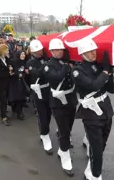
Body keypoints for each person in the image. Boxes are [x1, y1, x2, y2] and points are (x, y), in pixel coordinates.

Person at [72, 39, 114, 180]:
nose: (93, 53)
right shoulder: (77, 71)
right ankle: (95, 176)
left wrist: (110, 73)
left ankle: (91, 169)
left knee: (101, 145)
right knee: (96, 149)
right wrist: (105, 72)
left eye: (94, 50)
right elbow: (93, 86)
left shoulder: (98, 66)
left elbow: (112, 89)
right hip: (91, 112)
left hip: (106, 109)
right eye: (89, 52)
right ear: (82, 54)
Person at [44, 38, 77, 176]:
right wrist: (66, 65)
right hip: (57, 101)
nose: (59, 52)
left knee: (68, 127)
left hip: (70, 98)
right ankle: (65, 156)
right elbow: (57, 77)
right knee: (63, 130)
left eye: (61, 50)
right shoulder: (48, 65)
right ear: (51, 51)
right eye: (56, 50)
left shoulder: (66, 62)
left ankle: (62, 149)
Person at [26, 40, 52, 155]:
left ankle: (44, 131)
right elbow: (36, 73)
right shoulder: (30, 62)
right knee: (42, 115)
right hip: (38, 90)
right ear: (32, 52)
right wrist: (45, 65)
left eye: (41, 50)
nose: (40, 52)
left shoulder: (45, 58)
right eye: (37, 51)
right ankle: (45, 134)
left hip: (48, 89)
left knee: (49, 113)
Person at [0, 44, 11, 126]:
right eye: (6, 50)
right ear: (2, 51)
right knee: (2, 100)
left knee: (5, 99)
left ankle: (4, 112)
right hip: (0, 83)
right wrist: (8, 72)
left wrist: (9, 68)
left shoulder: (6, 58)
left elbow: (9, 65)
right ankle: (3, 116)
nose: (8, 51)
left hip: (6, 82)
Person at [8, 51, 29, 120]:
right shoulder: (13, 62)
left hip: (21, 82)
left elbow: (24, 72)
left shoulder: (24, 62)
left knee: (20, 97)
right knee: (16, 97)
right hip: (14, 82)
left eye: (24, 54)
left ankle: (20, 112)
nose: (23, 55)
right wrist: (17, 74)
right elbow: (10, 73)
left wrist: (24, 74)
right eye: (22, 54)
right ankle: (16, 110)